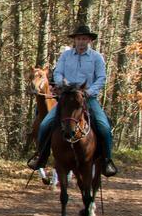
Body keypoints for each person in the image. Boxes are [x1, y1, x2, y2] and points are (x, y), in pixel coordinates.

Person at [27, 24, 117, 177]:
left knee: (103, 126)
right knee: (45, 124)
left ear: (89, 40)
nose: (81, 42)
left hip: (87, 98)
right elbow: (58, 73)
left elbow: (101, 78)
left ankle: (107, 160)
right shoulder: (65, 56)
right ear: (74, 40)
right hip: (66, 98)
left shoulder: (96, 57)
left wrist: (90, 91)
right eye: (78, 39)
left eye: (84, 39)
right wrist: (62, 84)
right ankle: (41, 157)